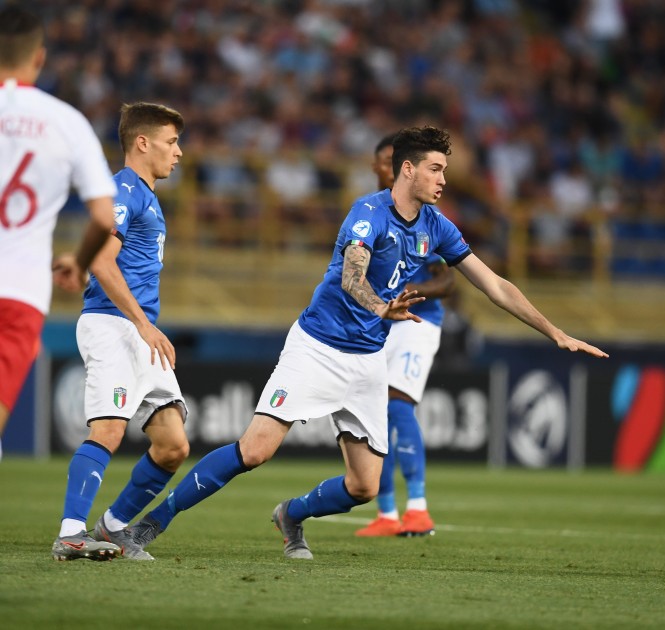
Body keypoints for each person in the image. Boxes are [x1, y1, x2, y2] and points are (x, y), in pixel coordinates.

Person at [128, 126, 608, 561]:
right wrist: (381, 307)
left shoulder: (436, 226)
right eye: (436, 169)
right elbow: (352, 277)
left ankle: (291, 515)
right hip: (317, 346)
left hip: (367, 360)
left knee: (364, 486)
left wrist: (556, 332)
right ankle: (151, 524)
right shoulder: (367, 213)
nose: (443, 180)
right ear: (408, 169)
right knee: (255, 451)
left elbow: (495, 284)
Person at [51, 102, 186, 562]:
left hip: (136, 328)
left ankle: (110, 527)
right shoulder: (123, 190)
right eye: (171, 142)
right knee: (108, 428)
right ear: (142, 143)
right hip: (114, 324)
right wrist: (144, 324)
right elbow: (102, 261)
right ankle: (71, 533)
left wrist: (144, 326)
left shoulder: (145, 194)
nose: (179, 153)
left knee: (172, 445)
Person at [0, 5, 115, 458]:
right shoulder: (66, 122)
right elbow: (104, 218)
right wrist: (79, 261)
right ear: (40, 58)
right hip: (20, 291)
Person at [355, 133, 455, 537]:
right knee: (375, 411)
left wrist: (411, 294)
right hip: (381, 322)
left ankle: (418, 509)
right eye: (383, 161)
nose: (386, 167)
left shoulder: (424, 218)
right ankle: (387, 513)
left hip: (418, 322)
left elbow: (447, 280)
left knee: (399, 405)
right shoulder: (371, 212)